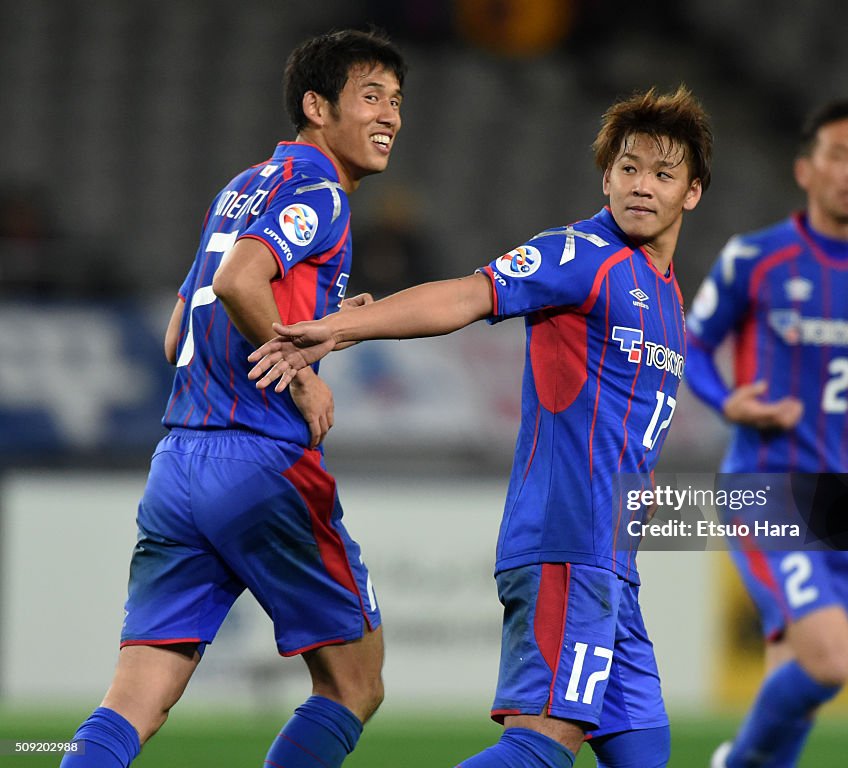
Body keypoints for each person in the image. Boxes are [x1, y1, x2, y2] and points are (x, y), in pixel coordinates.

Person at [248, 85, 713, 768]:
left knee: (645, 753)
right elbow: (468, 295)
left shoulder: (666, 293)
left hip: (612, 558)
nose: (642, 185)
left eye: (662, 173)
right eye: (628, 168)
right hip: (568, 540)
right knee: (542, 746)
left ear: (692, 192)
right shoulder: (582, 255)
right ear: (606, 177)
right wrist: (342, 326)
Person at [61, 29, 406, 768]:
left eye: (397, 102)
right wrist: (308, 379)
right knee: (355, 685)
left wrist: (327, 333)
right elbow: (240, 282)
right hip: (259, 461)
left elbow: (177, 333)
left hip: (178, 463)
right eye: (371, 97)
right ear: (317, 106)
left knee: (133, 701)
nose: (390, 118)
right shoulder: (321, 193)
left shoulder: (239, 188)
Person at [683, 100, 848, 768]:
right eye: (838, 154)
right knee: (832, 660)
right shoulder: (757, 257)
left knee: (793, 678)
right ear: (807, 169)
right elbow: (689, 345)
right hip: (767, 487)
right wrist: (728, 404)